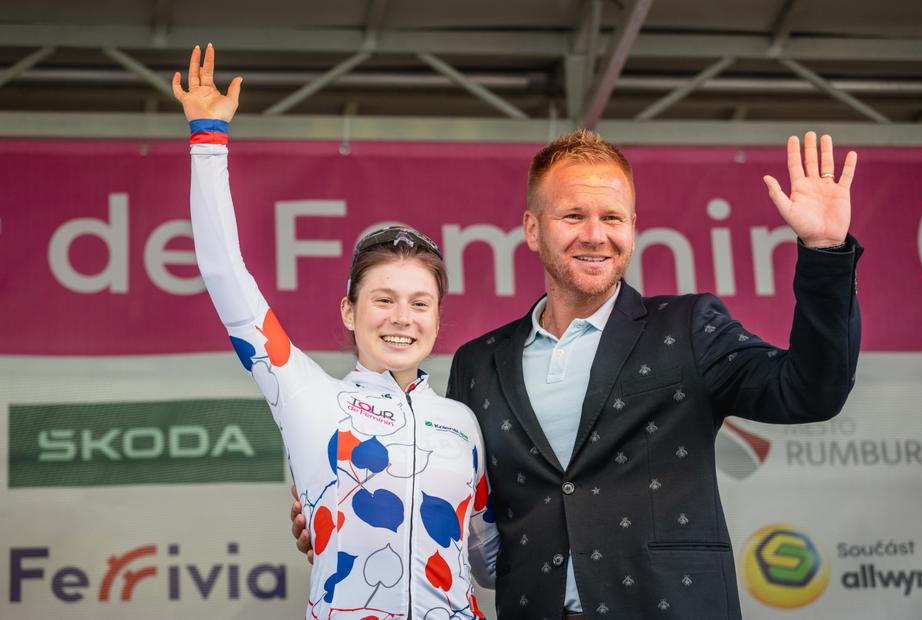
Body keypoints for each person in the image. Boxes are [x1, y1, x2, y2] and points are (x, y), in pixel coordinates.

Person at [291, 127, 862, 618]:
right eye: (573, 215)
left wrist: (824, 252)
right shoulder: (478, 362)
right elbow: (457, 498)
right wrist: (346, 513)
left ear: (633, 227)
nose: (595, 234)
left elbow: (811, 391)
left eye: (612, 217)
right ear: (532, 228)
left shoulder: (687, 327)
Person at [174, 44, 497, 620]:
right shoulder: (308, 395)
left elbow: (492, 564)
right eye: (384, 300)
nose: (402, 317)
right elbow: (226, 276)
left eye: (420, 303)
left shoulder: (463, 424)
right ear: (349, 311)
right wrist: (208, 138)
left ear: (437, 317)